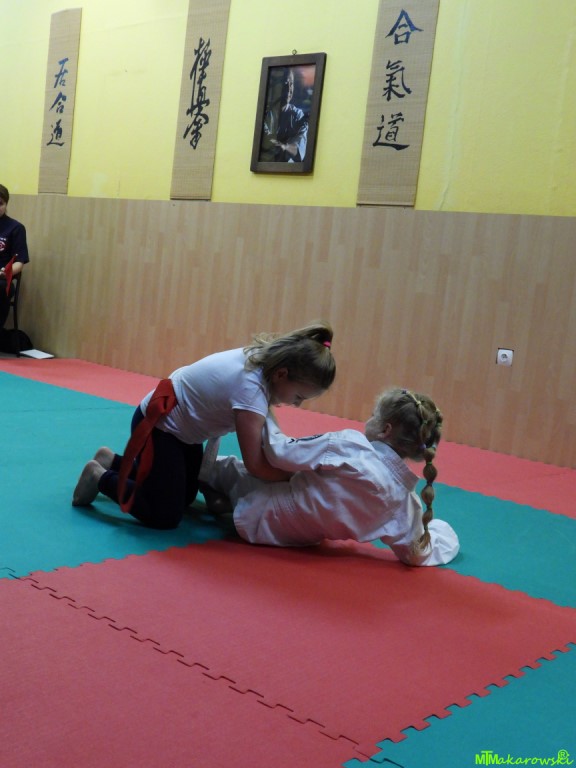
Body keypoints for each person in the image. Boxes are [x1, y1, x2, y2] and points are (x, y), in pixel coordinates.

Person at [72, 322, 336, 530]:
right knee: (164, 515)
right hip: (159, 427)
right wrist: (296, 477)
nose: (297, 404)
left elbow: (267, 429)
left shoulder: (264, 360)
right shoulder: (250, 389)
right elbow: (255, 465)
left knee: (185, 497)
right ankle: (99, 476)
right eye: (299, 396)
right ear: (282, 374)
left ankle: (113, 461)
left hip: (182, 431)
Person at [199, 388, 460, 566]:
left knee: (227, 468)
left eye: (374, 415)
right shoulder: (402, 500)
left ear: (385, 430)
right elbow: (418, 554)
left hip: (261, 508)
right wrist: (443, 533)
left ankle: (218, 493)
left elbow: (280, 452)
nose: (369, 419)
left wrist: (261, 405)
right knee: (294, 481)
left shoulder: (352, 446)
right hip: (291, 537)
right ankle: (223, 503)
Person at [260, 68, 308, 163]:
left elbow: (298, 150)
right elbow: (265, 143)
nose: (289, 89)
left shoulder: (298, 115)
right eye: (285, 83)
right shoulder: (264, 113)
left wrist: (281, 146)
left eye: (291, 84)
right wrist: (286, 146)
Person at [0, 184, 29, 330]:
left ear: (6, 205)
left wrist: (5, 272)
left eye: (0, 204)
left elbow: (19, 262)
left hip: (1, 278)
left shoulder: (16, 228)